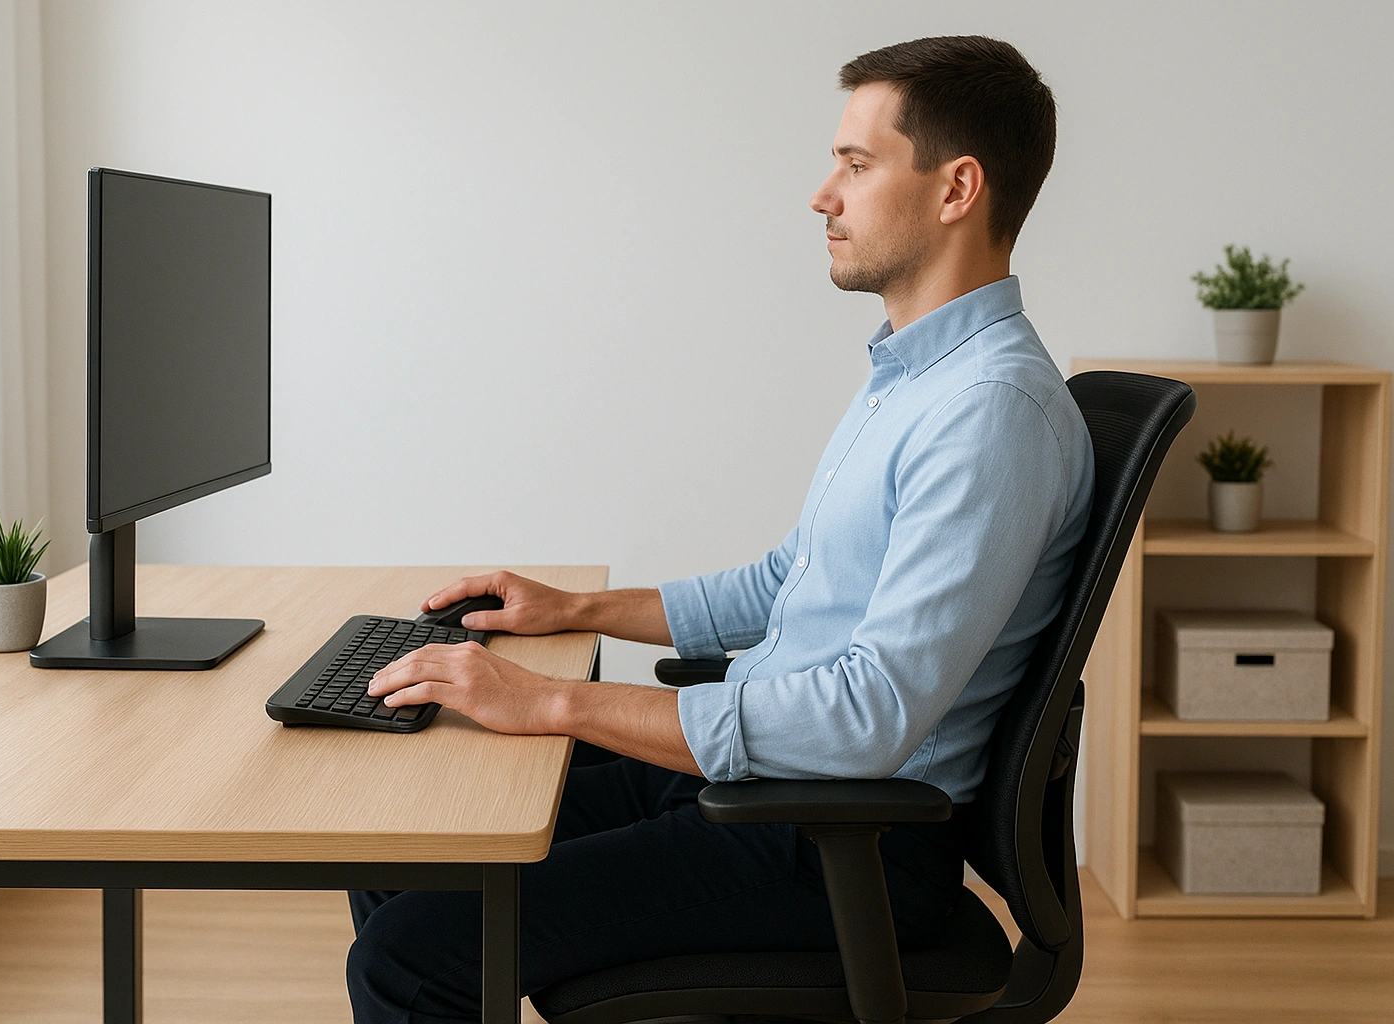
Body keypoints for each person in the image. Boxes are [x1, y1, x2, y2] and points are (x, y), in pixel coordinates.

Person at [349, 35, 1094, 1024]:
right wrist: (574, 610)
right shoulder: (917, 379)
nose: (822, 194)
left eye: (857, 165)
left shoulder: (992, 412)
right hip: (772, 784)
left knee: (412, 955)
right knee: (411, 833)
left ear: (957, 188)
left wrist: (557, 704)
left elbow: (868, 717)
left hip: (840, 844)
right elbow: (789, 583)